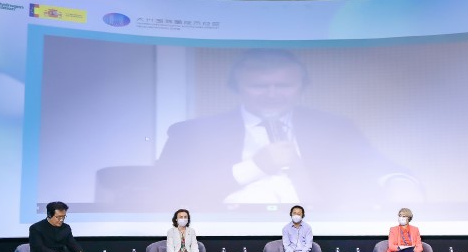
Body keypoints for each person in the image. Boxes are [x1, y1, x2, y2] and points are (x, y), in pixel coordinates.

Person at [153, 48, 420, 209]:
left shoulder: (334, 128)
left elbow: (377, 165)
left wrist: (399, 183)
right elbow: (167, 190)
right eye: (259, 86)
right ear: (237, 86)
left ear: (301, 87)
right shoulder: (192, 133)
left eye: (283, 86)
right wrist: (255, 167)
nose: (272, 94)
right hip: (226, 235)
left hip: (321, 232)